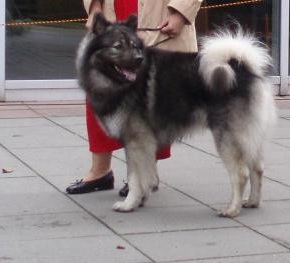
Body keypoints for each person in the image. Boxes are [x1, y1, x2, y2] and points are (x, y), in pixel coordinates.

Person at [66, 0, 202, 195]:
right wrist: (94, 9)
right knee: (99, 91)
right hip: (112, 12)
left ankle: (143, 174)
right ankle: (100, 171)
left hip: (159, 14)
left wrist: (181, 12)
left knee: (152, 100)